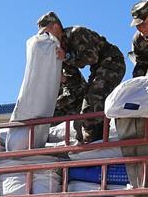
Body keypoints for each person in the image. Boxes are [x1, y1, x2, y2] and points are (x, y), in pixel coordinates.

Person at [36, 11, 126, 142]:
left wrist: (66, 57)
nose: (45, 37)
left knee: (93, 100)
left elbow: (92, 57)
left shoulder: (76, 33)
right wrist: (63, 78)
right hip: (97, 69)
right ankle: (92, 141)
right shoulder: (59, 48)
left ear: (55, 27)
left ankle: (96, 144)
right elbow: (73, 80)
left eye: (46, 32)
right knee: (84, 110)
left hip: (112, 61)